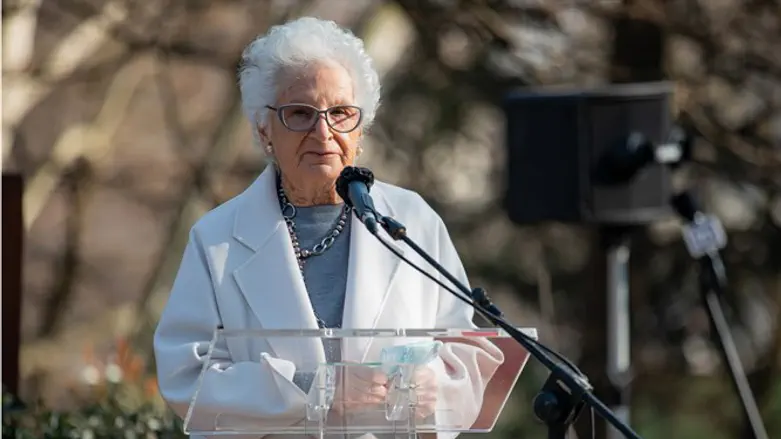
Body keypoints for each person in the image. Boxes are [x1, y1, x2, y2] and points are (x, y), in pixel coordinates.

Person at [153, 17, 505, 439]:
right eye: (300, 113)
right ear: (265, 130)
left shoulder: (412, 222)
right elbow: (187, 379)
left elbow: (465, 355)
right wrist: (312, 388)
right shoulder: (216, 238)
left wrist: (432, 387)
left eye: (340, 113)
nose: (323, 131)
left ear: (360, 130)